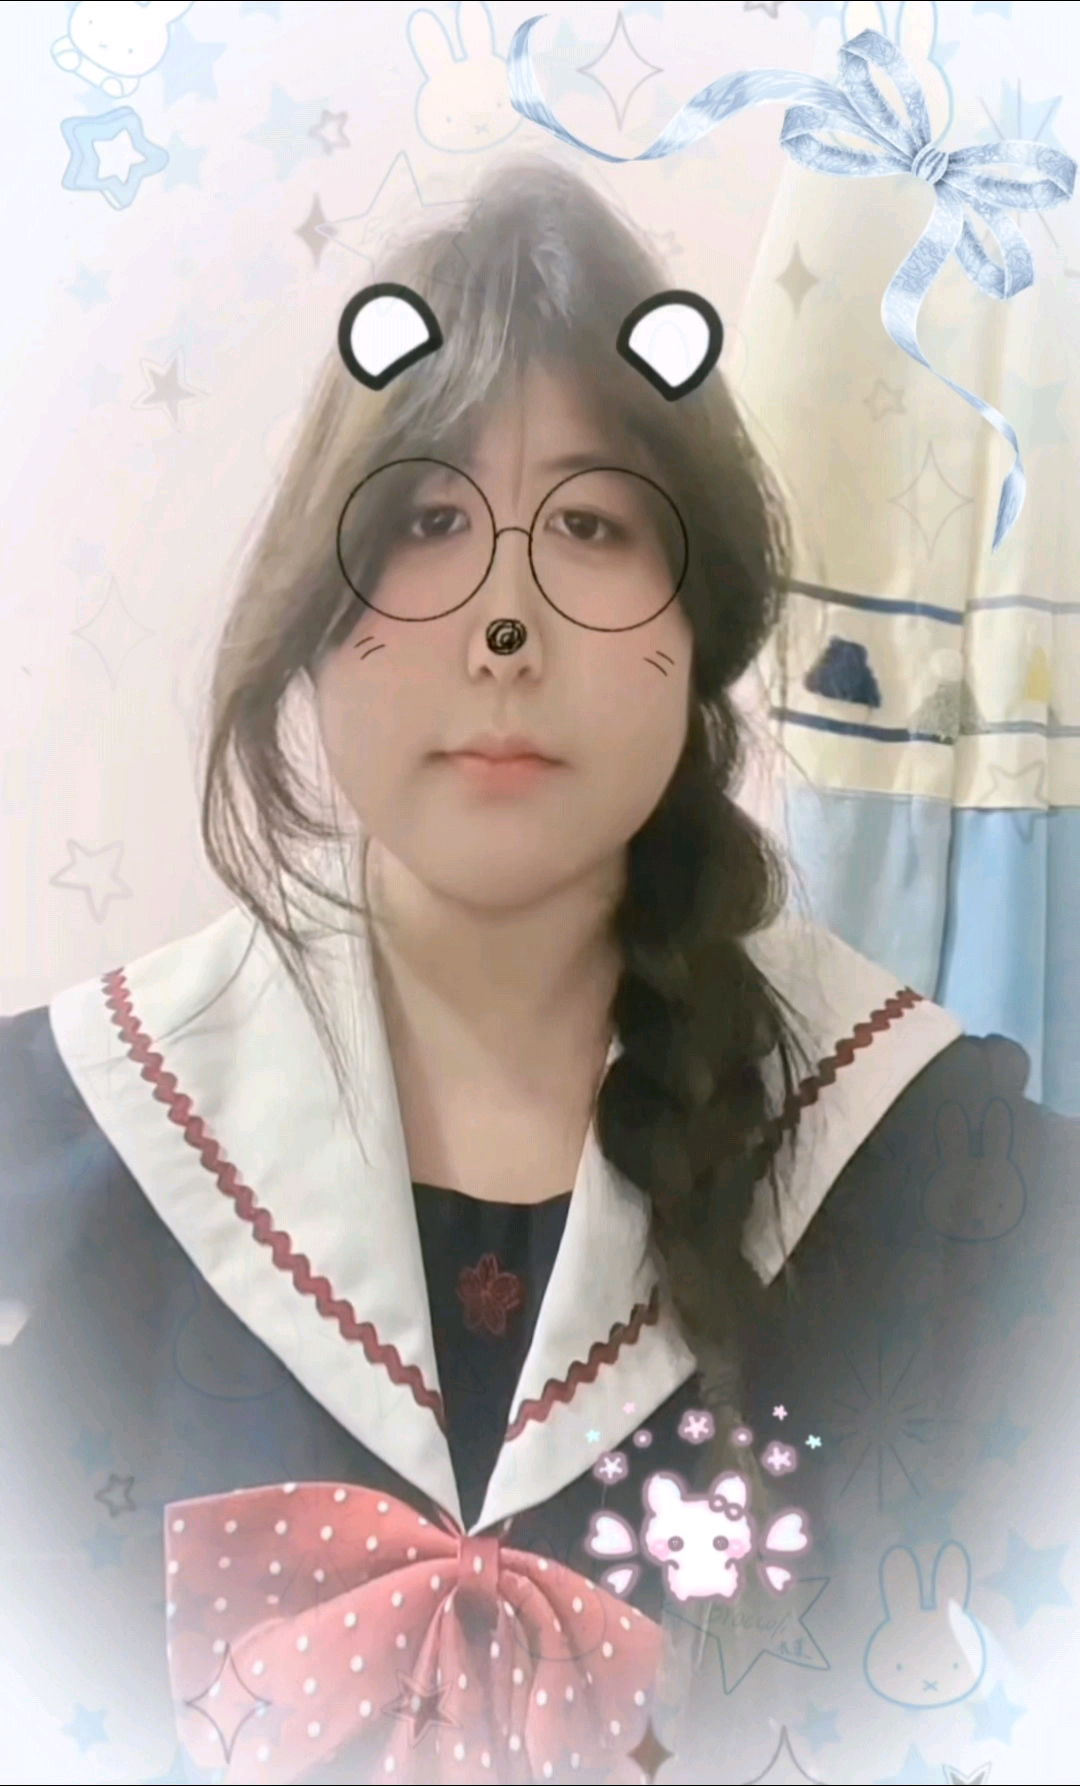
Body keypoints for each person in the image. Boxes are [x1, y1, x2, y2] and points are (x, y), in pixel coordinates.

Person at [0, 156, 1076, 1786]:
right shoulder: (67, 1163)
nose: (504, 624)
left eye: (589, 524)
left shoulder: (942, 1184)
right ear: (315, 614)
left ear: (697, 627)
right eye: (429, 520)